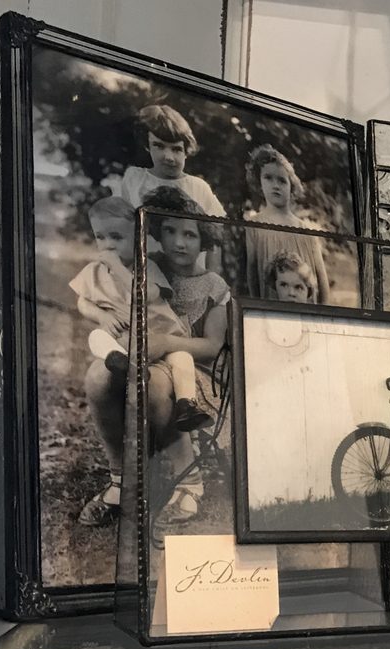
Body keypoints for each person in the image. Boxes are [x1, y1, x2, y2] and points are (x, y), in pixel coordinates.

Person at [79, 203, 229, 528]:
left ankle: (190, 482)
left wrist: (165, 343)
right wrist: (103, 316)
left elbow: (212, 347)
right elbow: (95, 296)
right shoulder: (142, 261)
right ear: (154, 233)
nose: (178, 242)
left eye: (190, 235)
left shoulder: (213, 285)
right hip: (140, 354)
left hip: (191, 367)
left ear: (204, 239)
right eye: (169, 231)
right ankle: (120, 480)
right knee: (96, 375)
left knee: (157, 385)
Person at [244, 144, 330, 303]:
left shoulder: (306, 231)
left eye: (282, 181)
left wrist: (324, 310)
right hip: (272, 309)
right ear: (259, 182)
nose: (276, 185)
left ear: (291, 187)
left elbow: (322, 280)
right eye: (268, 178)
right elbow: (252, 275)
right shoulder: (254, 225)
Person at [119, 104, 226, 217]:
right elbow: (121, 219)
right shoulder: (135, 179)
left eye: (176, 149)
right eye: (159, 146)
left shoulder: (198, 187)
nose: (169, 157)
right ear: (148, 146)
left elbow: (218, 225)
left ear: (186, 152)